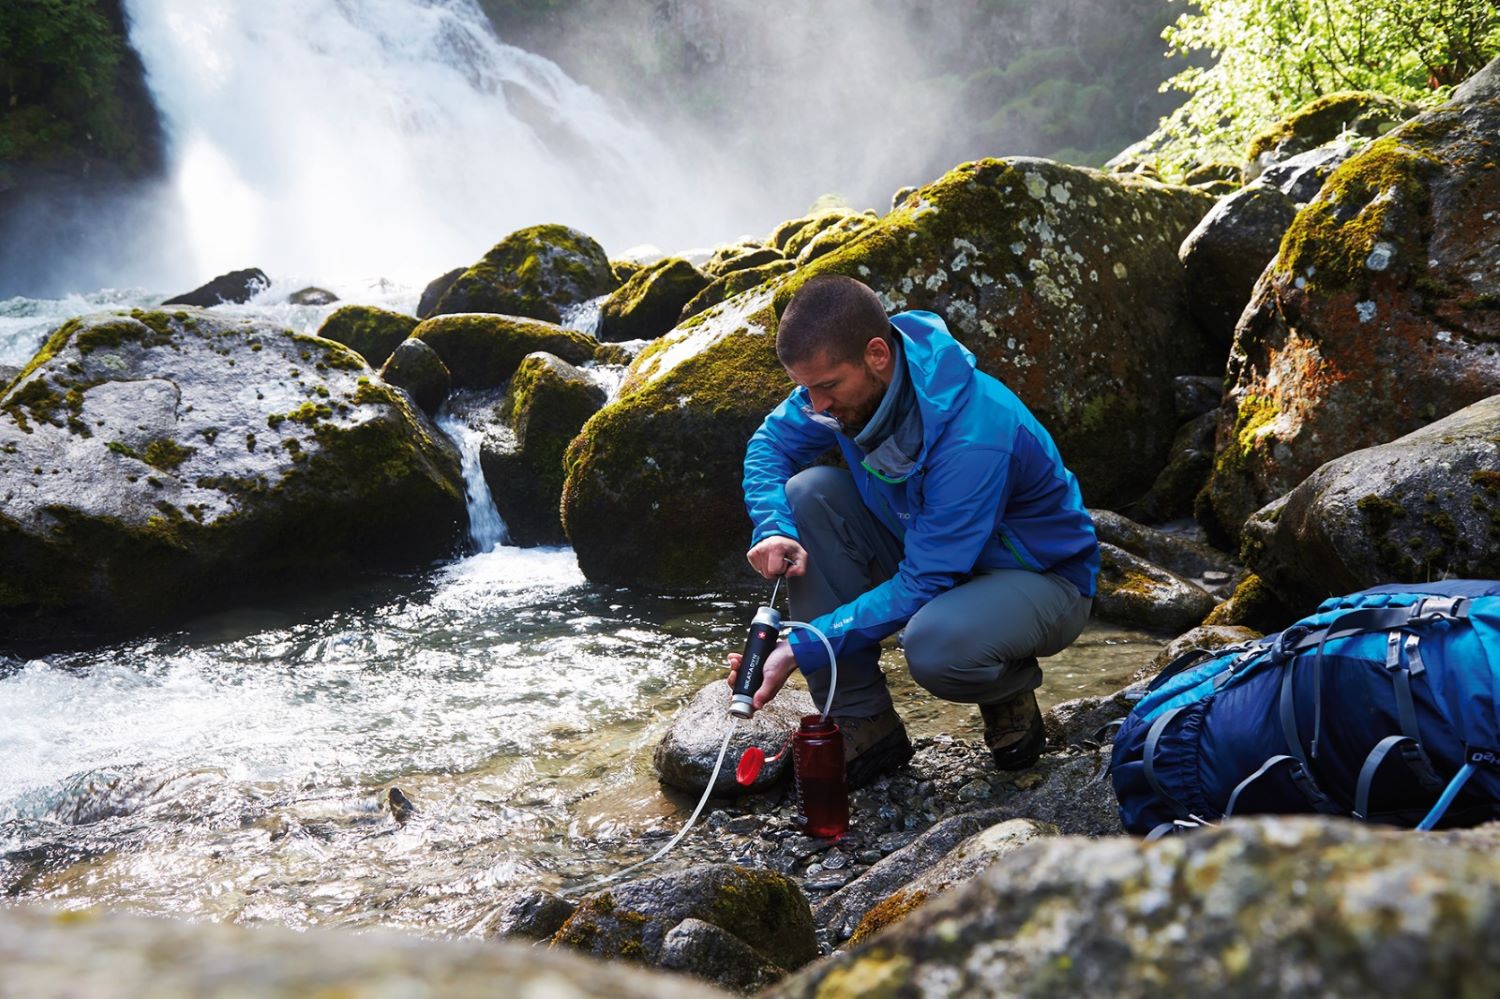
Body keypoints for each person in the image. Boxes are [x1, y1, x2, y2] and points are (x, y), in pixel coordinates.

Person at [727, 275, 1099, 787]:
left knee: (934, 646)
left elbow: (925, 581)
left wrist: (799, 647)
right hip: (926, 544)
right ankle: (862, 719)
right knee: (807, 494)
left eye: (828, 387)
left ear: (877, 354)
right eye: (805, 389)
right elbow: (769, 445)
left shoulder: (975, 436)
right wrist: (772, 529)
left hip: (1038, 578)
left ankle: (1004, 687)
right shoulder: (841, 390)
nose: (816, 406)